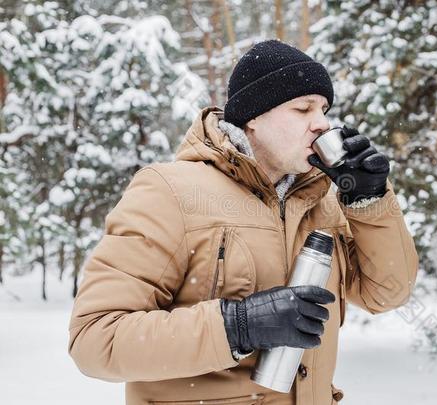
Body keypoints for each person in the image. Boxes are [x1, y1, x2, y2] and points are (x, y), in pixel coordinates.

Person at [68, 39, 419, 405]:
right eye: (303, 109)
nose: (322, 124)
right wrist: (237, 326)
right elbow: (95, 340)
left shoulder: (321, 201)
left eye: (324, 109)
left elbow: (387, 293)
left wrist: (368, 200)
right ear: (254, 116)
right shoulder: (170, 191)